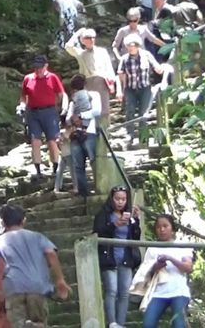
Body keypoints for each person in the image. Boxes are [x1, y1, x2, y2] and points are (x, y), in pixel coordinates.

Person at [0, 205, 72, 328]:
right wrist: (60, 280)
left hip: (13, 289)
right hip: (37, 287)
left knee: (17, 323)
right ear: (24, 220)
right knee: (39, 322)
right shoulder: (37, 237)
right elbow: (51, 253)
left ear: (3, 223)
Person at [92, 186, 142, 328]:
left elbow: (136, 238)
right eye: (117, 199)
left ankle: (121, 323)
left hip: (126, 257)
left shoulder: (129, 216)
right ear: (111, 199)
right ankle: (112, 322)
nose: (120, 202)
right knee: (111, 290)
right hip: (109, 257)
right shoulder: (104, 215)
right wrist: (114, 225)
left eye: (123, 199)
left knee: (124, 292)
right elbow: (97, 232)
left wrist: (136, 220)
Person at [18, 55, 68, 178]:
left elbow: (61, 94)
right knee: (35, 141)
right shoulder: (28, 79)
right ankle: (38, 170)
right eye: (36, 67)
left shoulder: (52, 77)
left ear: (46, 66)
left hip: (49, 112)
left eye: (40, 67)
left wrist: (62, 107)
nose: (38, 70)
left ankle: (55, 168)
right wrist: (21, 106)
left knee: (52, 141)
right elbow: (24, 97)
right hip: (33, 112)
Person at [141, 214, 193, 328]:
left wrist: (170, 258)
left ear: (172, 229)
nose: (162, 229)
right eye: (159, 227)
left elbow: (188, 267)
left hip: (178, 292)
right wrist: (156, 266)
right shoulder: (152, 248)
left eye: (165, 226)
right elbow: (146, 273)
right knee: (147, 324)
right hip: (158, 292)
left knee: (179, 324)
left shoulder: (182, 245)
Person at [116, 34, 164, 146]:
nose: (130, 48)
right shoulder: (124, 59)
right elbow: (120, 75)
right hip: (130, 88)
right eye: (128, 46)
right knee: (130, 111)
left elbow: (156, 66)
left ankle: (143, 138)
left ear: (137, 46)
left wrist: (159, 68)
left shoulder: (146, 55)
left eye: (133, 45)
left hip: (145, 88)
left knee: (144, 113)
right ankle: (130, 136)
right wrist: (120, 90)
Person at [65, 27, 116, 125]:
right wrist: (78, 32)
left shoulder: (102, 51)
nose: (91, 39)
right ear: (83, 40)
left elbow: (108, 67)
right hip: (87, 83)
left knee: (104, 109)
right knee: (88, 108)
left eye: (93, 37)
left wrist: (112, 82)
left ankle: (105, 133)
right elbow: (68, 46)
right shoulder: (80, 53)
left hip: (101, 81)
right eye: (88, 37)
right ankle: (91, 131)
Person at [65, 74, 101, 198]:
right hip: (77, 134)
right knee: (79, 165)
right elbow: (68, 118)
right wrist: (73, 119)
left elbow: (97, 111)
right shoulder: (74, 101)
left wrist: (80, 116)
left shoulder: (93, 96)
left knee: (93, 162)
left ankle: (98, 188)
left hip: (89, 132)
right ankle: (83, 191)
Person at [54, 118, 78, 196]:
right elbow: (58, 142)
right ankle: (57, 187)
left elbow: (71, 141)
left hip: (69, 154)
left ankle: (76, 187)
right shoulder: (61, 133)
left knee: (72, 171)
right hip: (63, 154)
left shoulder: (72, 133)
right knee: (59, 171)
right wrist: (59, 141)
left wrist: (65, 138)